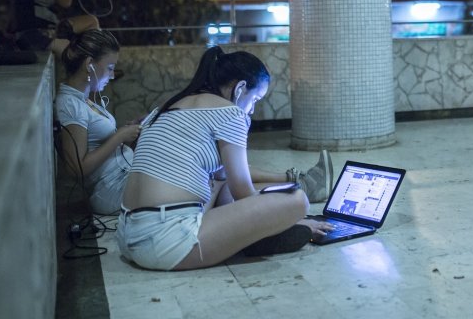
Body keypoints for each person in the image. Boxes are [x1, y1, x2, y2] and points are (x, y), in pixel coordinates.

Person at [118, 47, 334, 270]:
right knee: (298, 200)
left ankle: (246, 237)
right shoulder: (230, 113)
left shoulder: (166, 108)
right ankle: (259, 236)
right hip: (167, 240)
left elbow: (227, 180)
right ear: (240, 88)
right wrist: (290, 219)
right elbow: (244, 193)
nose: (252, 110)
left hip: (129, 234)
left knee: (222, 182)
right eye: (255, 99)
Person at [55, 30, 139, 215]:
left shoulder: (83, 99)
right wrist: (119, 137)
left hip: (123, 178)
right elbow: (77, 168)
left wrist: (126, 135)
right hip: (111, 190)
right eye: (109, 67)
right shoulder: (70, 104)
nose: (112, 75)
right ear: (89, 64)